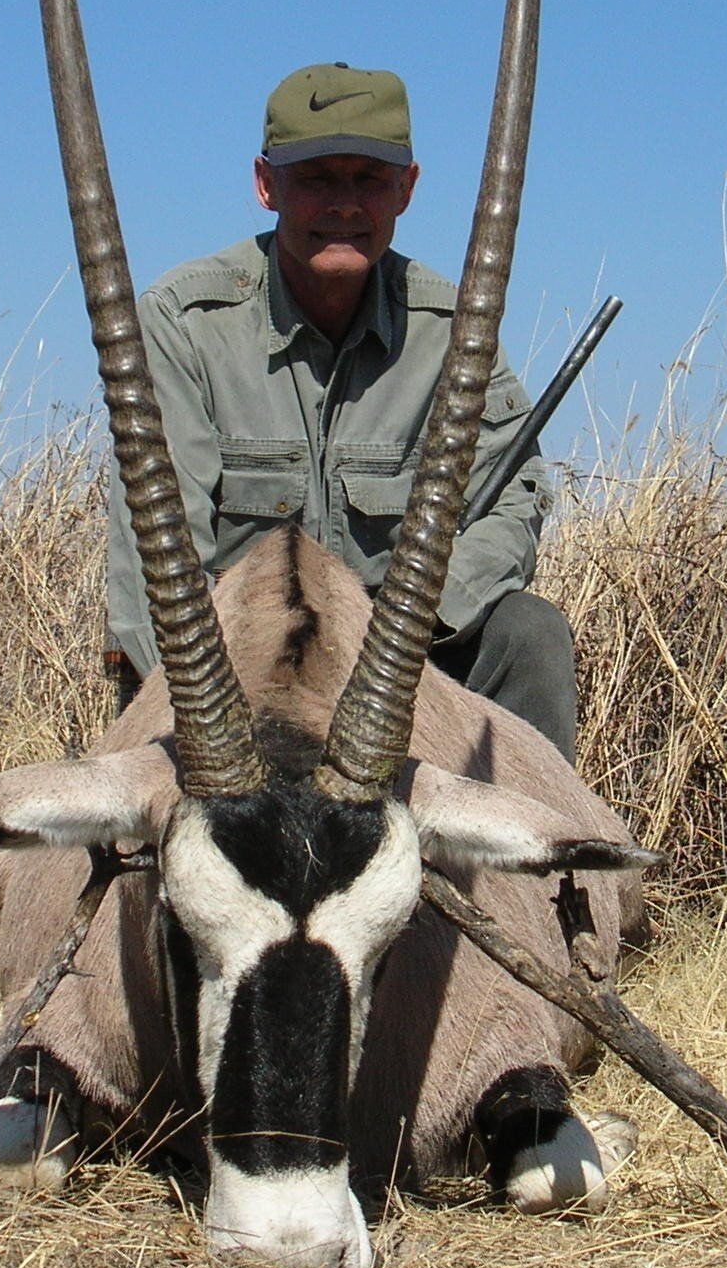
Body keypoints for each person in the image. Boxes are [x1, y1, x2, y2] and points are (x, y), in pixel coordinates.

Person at [104, 62, 578, 759]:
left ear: (406, 189)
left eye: (369, 180)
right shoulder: (184, 323)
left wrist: (414, 624)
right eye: (318, 178)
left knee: (529, 634)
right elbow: (157, 552)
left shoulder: (452, 328)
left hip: (401, 668)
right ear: (267, 185)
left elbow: (516, 497)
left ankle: (543, 861)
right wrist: (225, 709)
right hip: (235, 681)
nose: (346, 205)